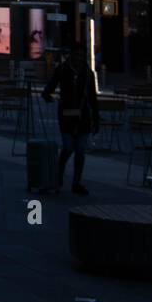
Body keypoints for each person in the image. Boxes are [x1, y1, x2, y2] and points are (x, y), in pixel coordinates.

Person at [43, 45, 100, 195]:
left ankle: (76, 182)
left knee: (80, 151)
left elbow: (93, 98)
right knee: (68, 147)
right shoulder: (62, 70)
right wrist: (47, 95)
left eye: (81, 55)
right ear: (71, 55)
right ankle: (58, 176)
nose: (78, 58)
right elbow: (50, 87)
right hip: (67, 114)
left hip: (83, 116)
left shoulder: (88, 74)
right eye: (76, 55)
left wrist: (96, 118)